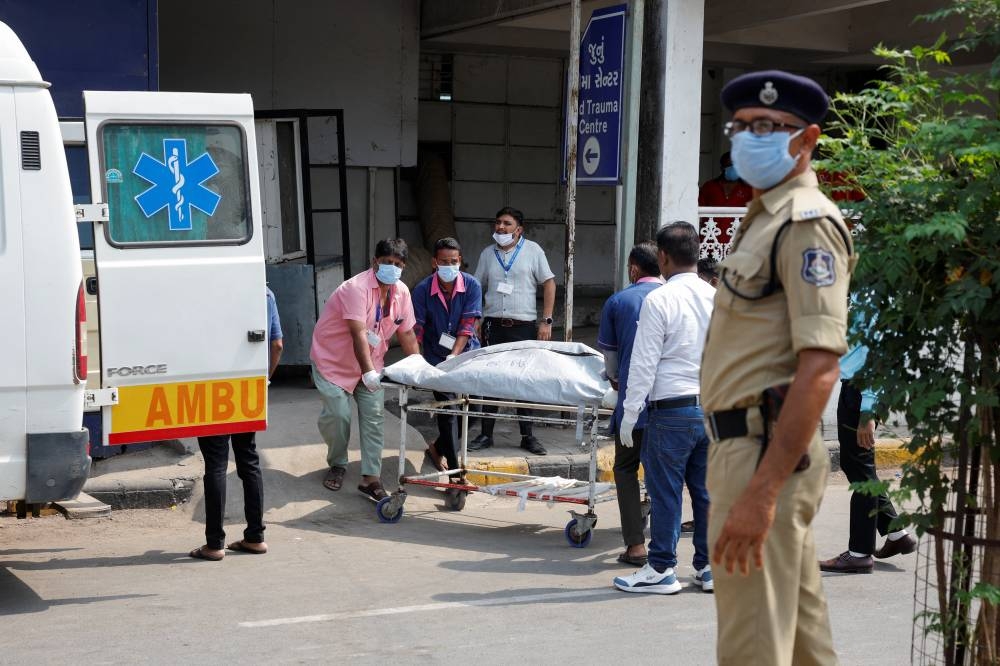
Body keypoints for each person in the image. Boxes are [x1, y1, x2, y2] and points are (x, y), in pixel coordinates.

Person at [701, 70, 855, 665]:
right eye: (741, 127)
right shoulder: (764, 215)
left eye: (767, 127)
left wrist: (761, 494)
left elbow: (820, 367)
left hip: (761, 455)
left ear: (806, 139)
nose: (748, 138)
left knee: (753, 648)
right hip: (748, 450)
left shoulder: (805, 222)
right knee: (801, 645)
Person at [612, 222, 714, 595]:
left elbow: (643, 362)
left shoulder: (660, 299)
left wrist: (630, 412)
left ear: (664, 256)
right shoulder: (715, 296)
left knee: (666, 490)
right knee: (705, 492)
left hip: (671, 410)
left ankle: (661, 568)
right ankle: (708, 567)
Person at [311, 238, 419, 501]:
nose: (392, 268)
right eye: (386, 262)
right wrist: (369, 372)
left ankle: (370, 478)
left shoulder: (401, 292)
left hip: (371, 364)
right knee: (339, 415)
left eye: (397, 264)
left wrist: (419, 366)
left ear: (403, 267)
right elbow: (359, 334)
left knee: (373, 419)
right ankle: (337, 463)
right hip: (333, 362)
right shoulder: (355, 289)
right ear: (374, 262)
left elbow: (406, 333)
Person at [189, 287, 283, 561]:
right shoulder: (265, 293)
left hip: (213, 385)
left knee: (216, 465)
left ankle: (214, 544)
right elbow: (277, 345)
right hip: (247, 386)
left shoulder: (208, 291)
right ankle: (255, 537)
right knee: (249, 461)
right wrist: (263, 380)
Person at [818, 313, 915, 574]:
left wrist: (868, 410)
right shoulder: (863, 287)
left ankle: (860, 553)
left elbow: (877, 353)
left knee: (860, 469)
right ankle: (896, 533)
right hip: (855, 388)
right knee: (855, 465)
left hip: (861, 392)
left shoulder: (871, 290)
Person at [468, 206, 556, 456]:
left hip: (523, 326)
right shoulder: (488, 253)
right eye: (498, 223)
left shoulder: (533, 251)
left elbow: (549, 283)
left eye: (506, 224)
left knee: (523, 381)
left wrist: (546, 321)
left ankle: (527, 436)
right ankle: (486, 434)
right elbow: (476, 285)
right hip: (493, 325)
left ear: (519, 229)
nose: (500, 228)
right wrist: (474, 318)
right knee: (490, 380)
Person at [597, 242, 663, 567]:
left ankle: (636, 546)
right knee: (665, 473)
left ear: (634, 268)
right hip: (676, 403)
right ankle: (668, 549)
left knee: (625, 467)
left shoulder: (620, 301)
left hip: (634, 403)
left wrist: (615, 379)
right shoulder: (680, 299)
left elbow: (610, 362)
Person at [411, 237, 483, 473]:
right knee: (449, 411)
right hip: (436, 358)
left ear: (460, 261)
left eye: (454, 261)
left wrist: (455, 354)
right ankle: (454, 472)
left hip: (467, 355)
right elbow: (417, 329)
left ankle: (437, 448)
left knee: (476, 409)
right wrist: (416, 360)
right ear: (434, 262)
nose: (449, 266)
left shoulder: (472, 285)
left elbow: (467, 324)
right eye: (444, 262)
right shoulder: (422, 290)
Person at [698, 151, 753, 246]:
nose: (734, 168)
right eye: (730, 165)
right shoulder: (709, 187)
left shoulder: (747, 189)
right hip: (710, 241)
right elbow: (698, 210)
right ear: (722, 168)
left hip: (736, 242)